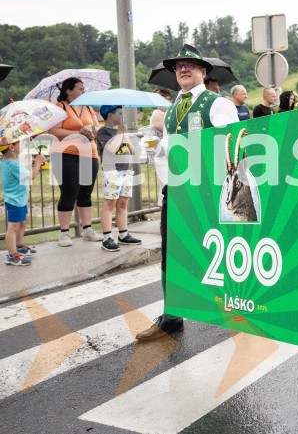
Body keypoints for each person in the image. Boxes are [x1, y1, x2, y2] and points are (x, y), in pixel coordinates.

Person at [136, 44, 238, 342]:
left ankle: (240, 308)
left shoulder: (216, 104)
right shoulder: (171, 112)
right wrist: (155, 150)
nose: (182, 69)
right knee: (172, 255)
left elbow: (230, 144)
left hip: (208, 192)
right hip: (177, 192)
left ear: (203, 71)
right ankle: (171, 316)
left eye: (189, 65)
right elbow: (168, 150)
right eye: (178, 66)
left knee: (220, 253)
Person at [48, 77, 105, 246]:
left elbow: (97, 128)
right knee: (69, 191)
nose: (83, 91)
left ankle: (88, 229)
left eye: (83, 88)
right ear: (69, 91)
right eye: (80, 88)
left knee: (86, 193)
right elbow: (54, 131)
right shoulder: (60, 108)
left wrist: (91, 131)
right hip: (65, 154)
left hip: (89, 154)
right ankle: (64, 233)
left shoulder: (87, 107)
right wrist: (79, 133)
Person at [96, 105, 142, 252]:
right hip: (112, 172)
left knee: (123, 203)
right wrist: (119, 134)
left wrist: (125, 136)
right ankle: (107, 237)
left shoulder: (120, 132)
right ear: (110, 115)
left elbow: (132, 150)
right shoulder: (103, 132)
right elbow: (112, 149)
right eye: (120, 113)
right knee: (109, 204)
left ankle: (123, 233)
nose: (123, 117)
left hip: (126, 171)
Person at [2, 141, 47, 265]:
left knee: (23, 221)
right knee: (13, 227)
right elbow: (31, 176)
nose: (22, 146)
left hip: (20, 198)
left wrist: (34, 164)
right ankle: (12, 255)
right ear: (11, 147)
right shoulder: (12, 164)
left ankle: (19, 245)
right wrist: (38, 163)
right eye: (19, 144)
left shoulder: (12, 161)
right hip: (14, 200)